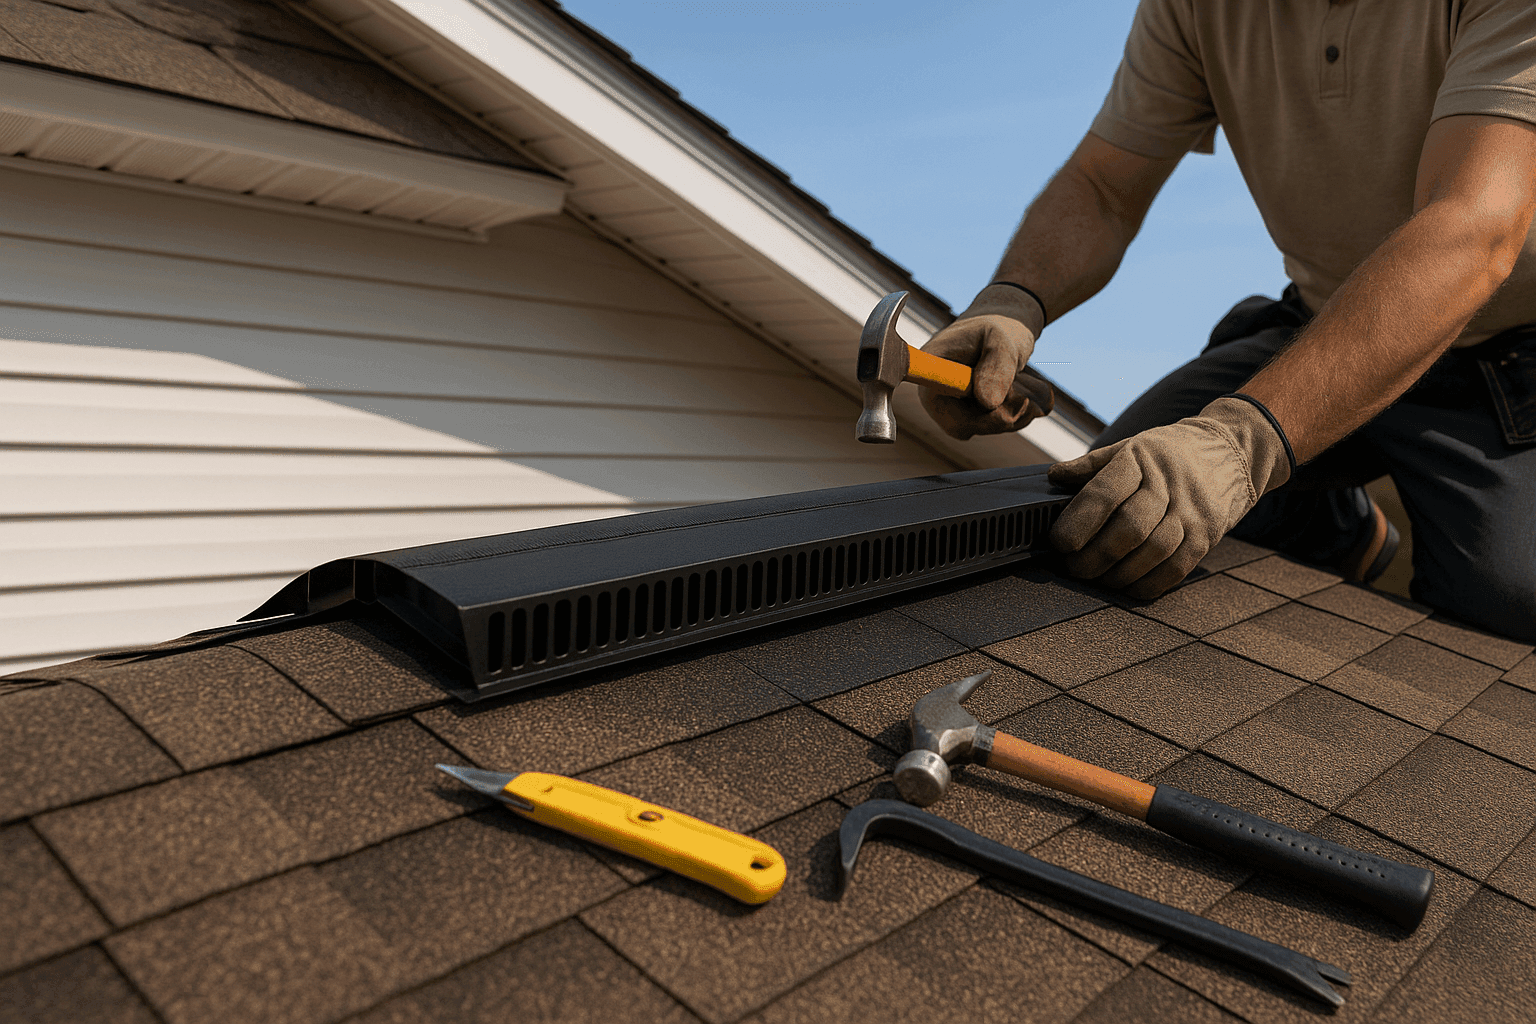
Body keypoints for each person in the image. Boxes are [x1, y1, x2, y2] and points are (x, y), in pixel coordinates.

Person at [922, 0, 1536, 641]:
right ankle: (1325, 519)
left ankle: (1297, 478)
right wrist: (1013, 302)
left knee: (1508, 609)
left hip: (1508, 361)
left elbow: (1473, 230)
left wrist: (1240, 442)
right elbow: (1105, 186)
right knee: (1115, 514)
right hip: (1324, 326)